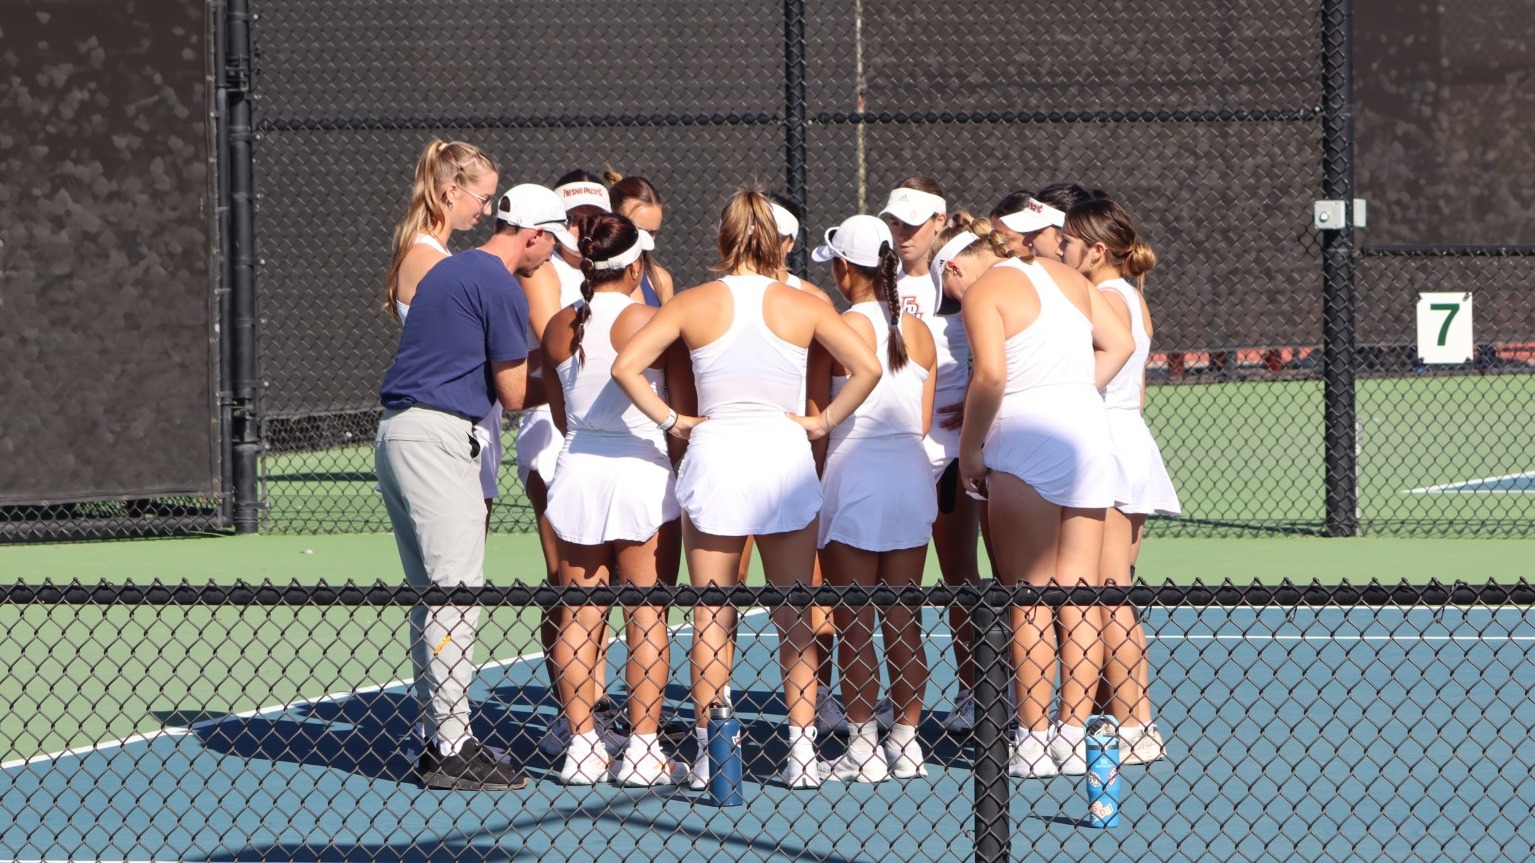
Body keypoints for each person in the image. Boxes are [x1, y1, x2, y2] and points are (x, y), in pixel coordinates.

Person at [610, 188, 882, 789]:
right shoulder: (804, 303)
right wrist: (823, 422)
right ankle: (802, 756)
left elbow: (625, 366)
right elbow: (868, 368)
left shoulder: (693, 302)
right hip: (783, 457)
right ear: (776, 240)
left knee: (712, 615)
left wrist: (671, 420)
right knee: (795, 613)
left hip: (717, 457)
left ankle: (713, 756)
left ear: (723, 240)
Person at [375, 182, 574, 791]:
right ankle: (451, 747)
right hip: (437, 440)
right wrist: (576, 379)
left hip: (400, 435)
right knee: (456, 594)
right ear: (533, 236)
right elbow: (515, 395)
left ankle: (440, 738)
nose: (551, 257)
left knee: (434, 596)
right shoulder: (498, 283)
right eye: (551, 243)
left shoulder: (454, 269)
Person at [950, 213, 1134, 778]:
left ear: (962, 263)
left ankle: (1033, 740)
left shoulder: (985, 292)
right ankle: (1071, 736)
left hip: (1024, 439)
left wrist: (970, 449)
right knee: (1079, 591)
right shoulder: (1071, 279)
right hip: (1087, 434)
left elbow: (991, 378)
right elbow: (1121, 345)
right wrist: (1076, 389)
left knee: (1028, 595)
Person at [541, 212, 689, 786]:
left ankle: (582, 750)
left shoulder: (559, 324)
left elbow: (559, 413)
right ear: (634, 265)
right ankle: (644, 753)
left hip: (577, 472)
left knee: (579, 617)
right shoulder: (651, 321)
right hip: (641, 473)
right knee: (647, 617)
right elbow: (678, 402)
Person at [808, 215, 938, 782]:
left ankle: (862, 750)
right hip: (910, 477)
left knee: (856, 620)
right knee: (902, 617)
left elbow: (817, 420)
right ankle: (905, 747)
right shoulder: (923, 331)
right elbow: (925, 422)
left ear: (843, 270)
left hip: (855, 476)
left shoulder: (837, 329)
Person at [1064, 198, 1181, 766]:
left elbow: (1097, 376)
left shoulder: (1101, 298)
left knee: (1108, 596)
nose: (1061, 249)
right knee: (1115, 592)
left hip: (1109, 440)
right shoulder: (1133, 297)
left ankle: (1137, 725)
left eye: (1068, 240)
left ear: (1097, 250)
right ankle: (1126, 718)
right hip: (1128, 436)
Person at [526, 170, 630, 759]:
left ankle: (593, 712)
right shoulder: (546, 273)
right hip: (562, 435)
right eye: (574, 218)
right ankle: (575, 722)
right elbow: (558, 347)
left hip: (605, 433)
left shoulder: (624, 268)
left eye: (594, 215)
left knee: (608, 590)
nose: (583, 225)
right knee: (571, 587)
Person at [880, 178, 977, 733]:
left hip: (954, 453)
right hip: (896, 452)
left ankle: (974, 689)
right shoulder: (879, 281)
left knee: (960, 573)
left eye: (913, 223)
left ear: (940, 222)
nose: (903, 233)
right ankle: (898, 700)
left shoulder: (960, 281)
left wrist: (973, 406)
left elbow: (998, 350)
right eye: (895, 222)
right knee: (899, 582)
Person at [381, 140, 506, 520]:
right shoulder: (430, 259)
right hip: (448, 422)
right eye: (483, 198)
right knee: (457, 566)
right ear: (452, 191)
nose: (486, 211)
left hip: (461, 417)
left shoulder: (436, 254)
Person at [606, 170, 673, 306]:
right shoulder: (588, 275)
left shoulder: (660, 281)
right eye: (637, 230)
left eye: (652, 232)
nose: (645, 241)